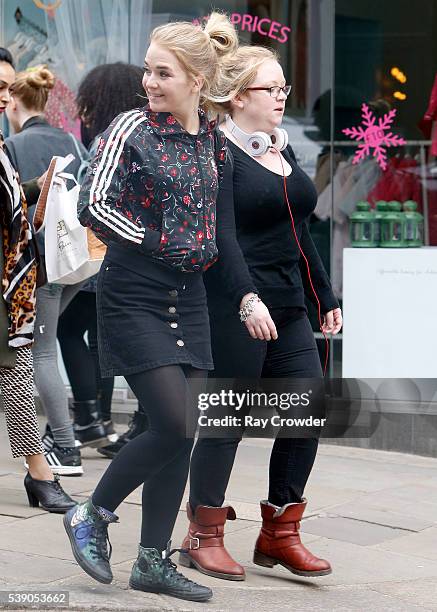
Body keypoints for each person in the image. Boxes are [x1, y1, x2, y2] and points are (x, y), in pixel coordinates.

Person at [63, 13, 239, 603]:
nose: (149, 81)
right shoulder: (130, 128)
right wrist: (158, 242)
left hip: (189, 300)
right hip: (134, 292)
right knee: (170, 419)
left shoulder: (214, 140)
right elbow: (94, 204)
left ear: (196, 80)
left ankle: (151, 560)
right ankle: (93, 513)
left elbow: (218, 224)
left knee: (183, 430)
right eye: (148, 69)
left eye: (162, 72)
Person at [182, 45, 342, 581]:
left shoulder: (280, 147)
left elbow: (297, 229)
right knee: (229, 418)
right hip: (235, 300)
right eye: (269, 89)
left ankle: (279, 531)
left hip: (290, 302)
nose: (280, 98)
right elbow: (222, 235)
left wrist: (325, 296)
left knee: (305, 411)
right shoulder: (219, 152)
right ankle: (203, 532)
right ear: (235, 97)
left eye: (283, 89)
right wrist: (246, 298)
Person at [57, 63, 148, 455]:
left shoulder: (108, 143)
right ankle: (107, 420)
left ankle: (93, 419)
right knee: (104, 340)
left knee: (77, 332)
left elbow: (89, 204)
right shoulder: (145, 138)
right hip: (131, 257)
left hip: (104, 257)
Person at [0, 47, 76, 512]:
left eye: (7, 88)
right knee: (15, 375)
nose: (5, 99)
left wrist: (33, 191)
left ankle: (41, 472)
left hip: (13, 284)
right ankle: (41, 473)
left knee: (16, 375)